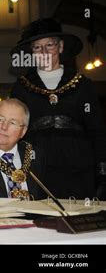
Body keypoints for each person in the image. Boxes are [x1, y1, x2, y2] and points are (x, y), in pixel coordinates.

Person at [10, 18, 106, 199]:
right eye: (37, 47)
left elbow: (96, 129)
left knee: (79, 219)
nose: (44, 52)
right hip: (37, 166)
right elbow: (14, 130)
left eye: (50, 45)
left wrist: (102, 167)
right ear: (31, 52)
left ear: (60, 47)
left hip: (79, 166)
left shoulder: (83, 85)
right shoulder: (21, 87)